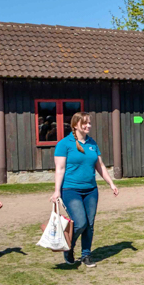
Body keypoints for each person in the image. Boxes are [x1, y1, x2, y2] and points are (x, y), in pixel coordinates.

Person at [50, 112, 119, 268]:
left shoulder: (92, 143)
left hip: (91, 191)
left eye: (89, 123)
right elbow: (59, 169)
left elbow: (100, 166)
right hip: (70, 189)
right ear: (75, 125)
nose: (88, 126)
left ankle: (86, 255)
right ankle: (68, 246)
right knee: (80, 222)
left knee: (90, 224)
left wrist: (111, 183)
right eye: (85, 123)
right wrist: (56, 191)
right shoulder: (64, 144)